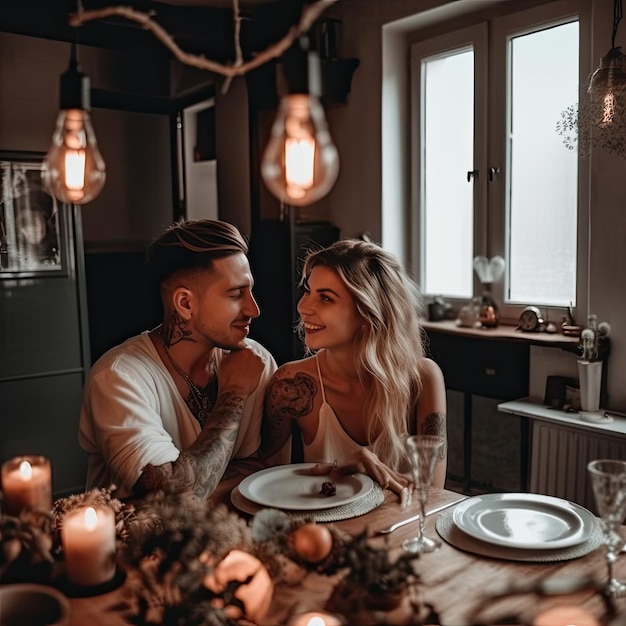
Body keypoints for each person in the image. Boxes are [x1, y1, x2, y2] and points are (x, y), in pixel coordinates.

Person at [79, 219, 277, 501]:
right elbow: (173, 495)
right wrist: (233, 396)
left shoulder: (256, 362)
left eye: (251, 291)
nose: (253, 309)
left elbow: (268, 472)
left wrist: (198, 480)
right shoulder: (118, 378)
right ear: (185, 304)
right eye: (235, 294)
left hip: (232, 538)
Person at [260, 238, 447, 499]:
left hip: (400, 532)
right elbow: (264, 482)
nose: (303, 307)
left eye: (325, 298)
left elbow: (433, 492)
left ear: (367, 313)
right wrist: (339, 470)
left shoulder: (423, 379)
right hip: (325, 535)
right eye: (307, 291)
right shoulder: (291, 383)